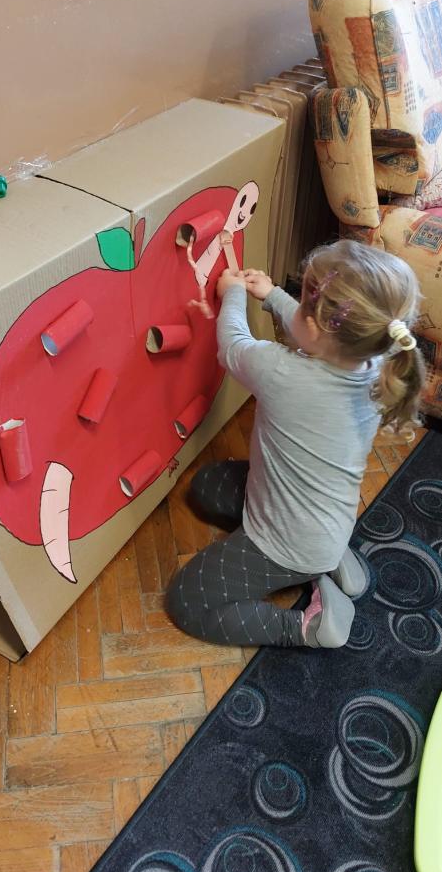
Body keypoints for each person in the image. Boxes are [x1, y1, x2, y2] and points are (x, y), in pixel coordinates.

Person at [166, 239, 426, 649]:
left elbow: (232, 344)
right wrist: (273, 296)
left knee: (187, 601)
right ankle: (330, 562)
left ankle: (308, 627)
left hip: (288, 546)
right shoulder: (379, 364)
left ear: (318, 325)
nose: (298, 309)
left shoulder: (282, 373)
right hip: (326, 523)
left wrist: (233, 294)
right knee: (207, 487)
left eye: (303, 305)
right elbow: (322, 336)